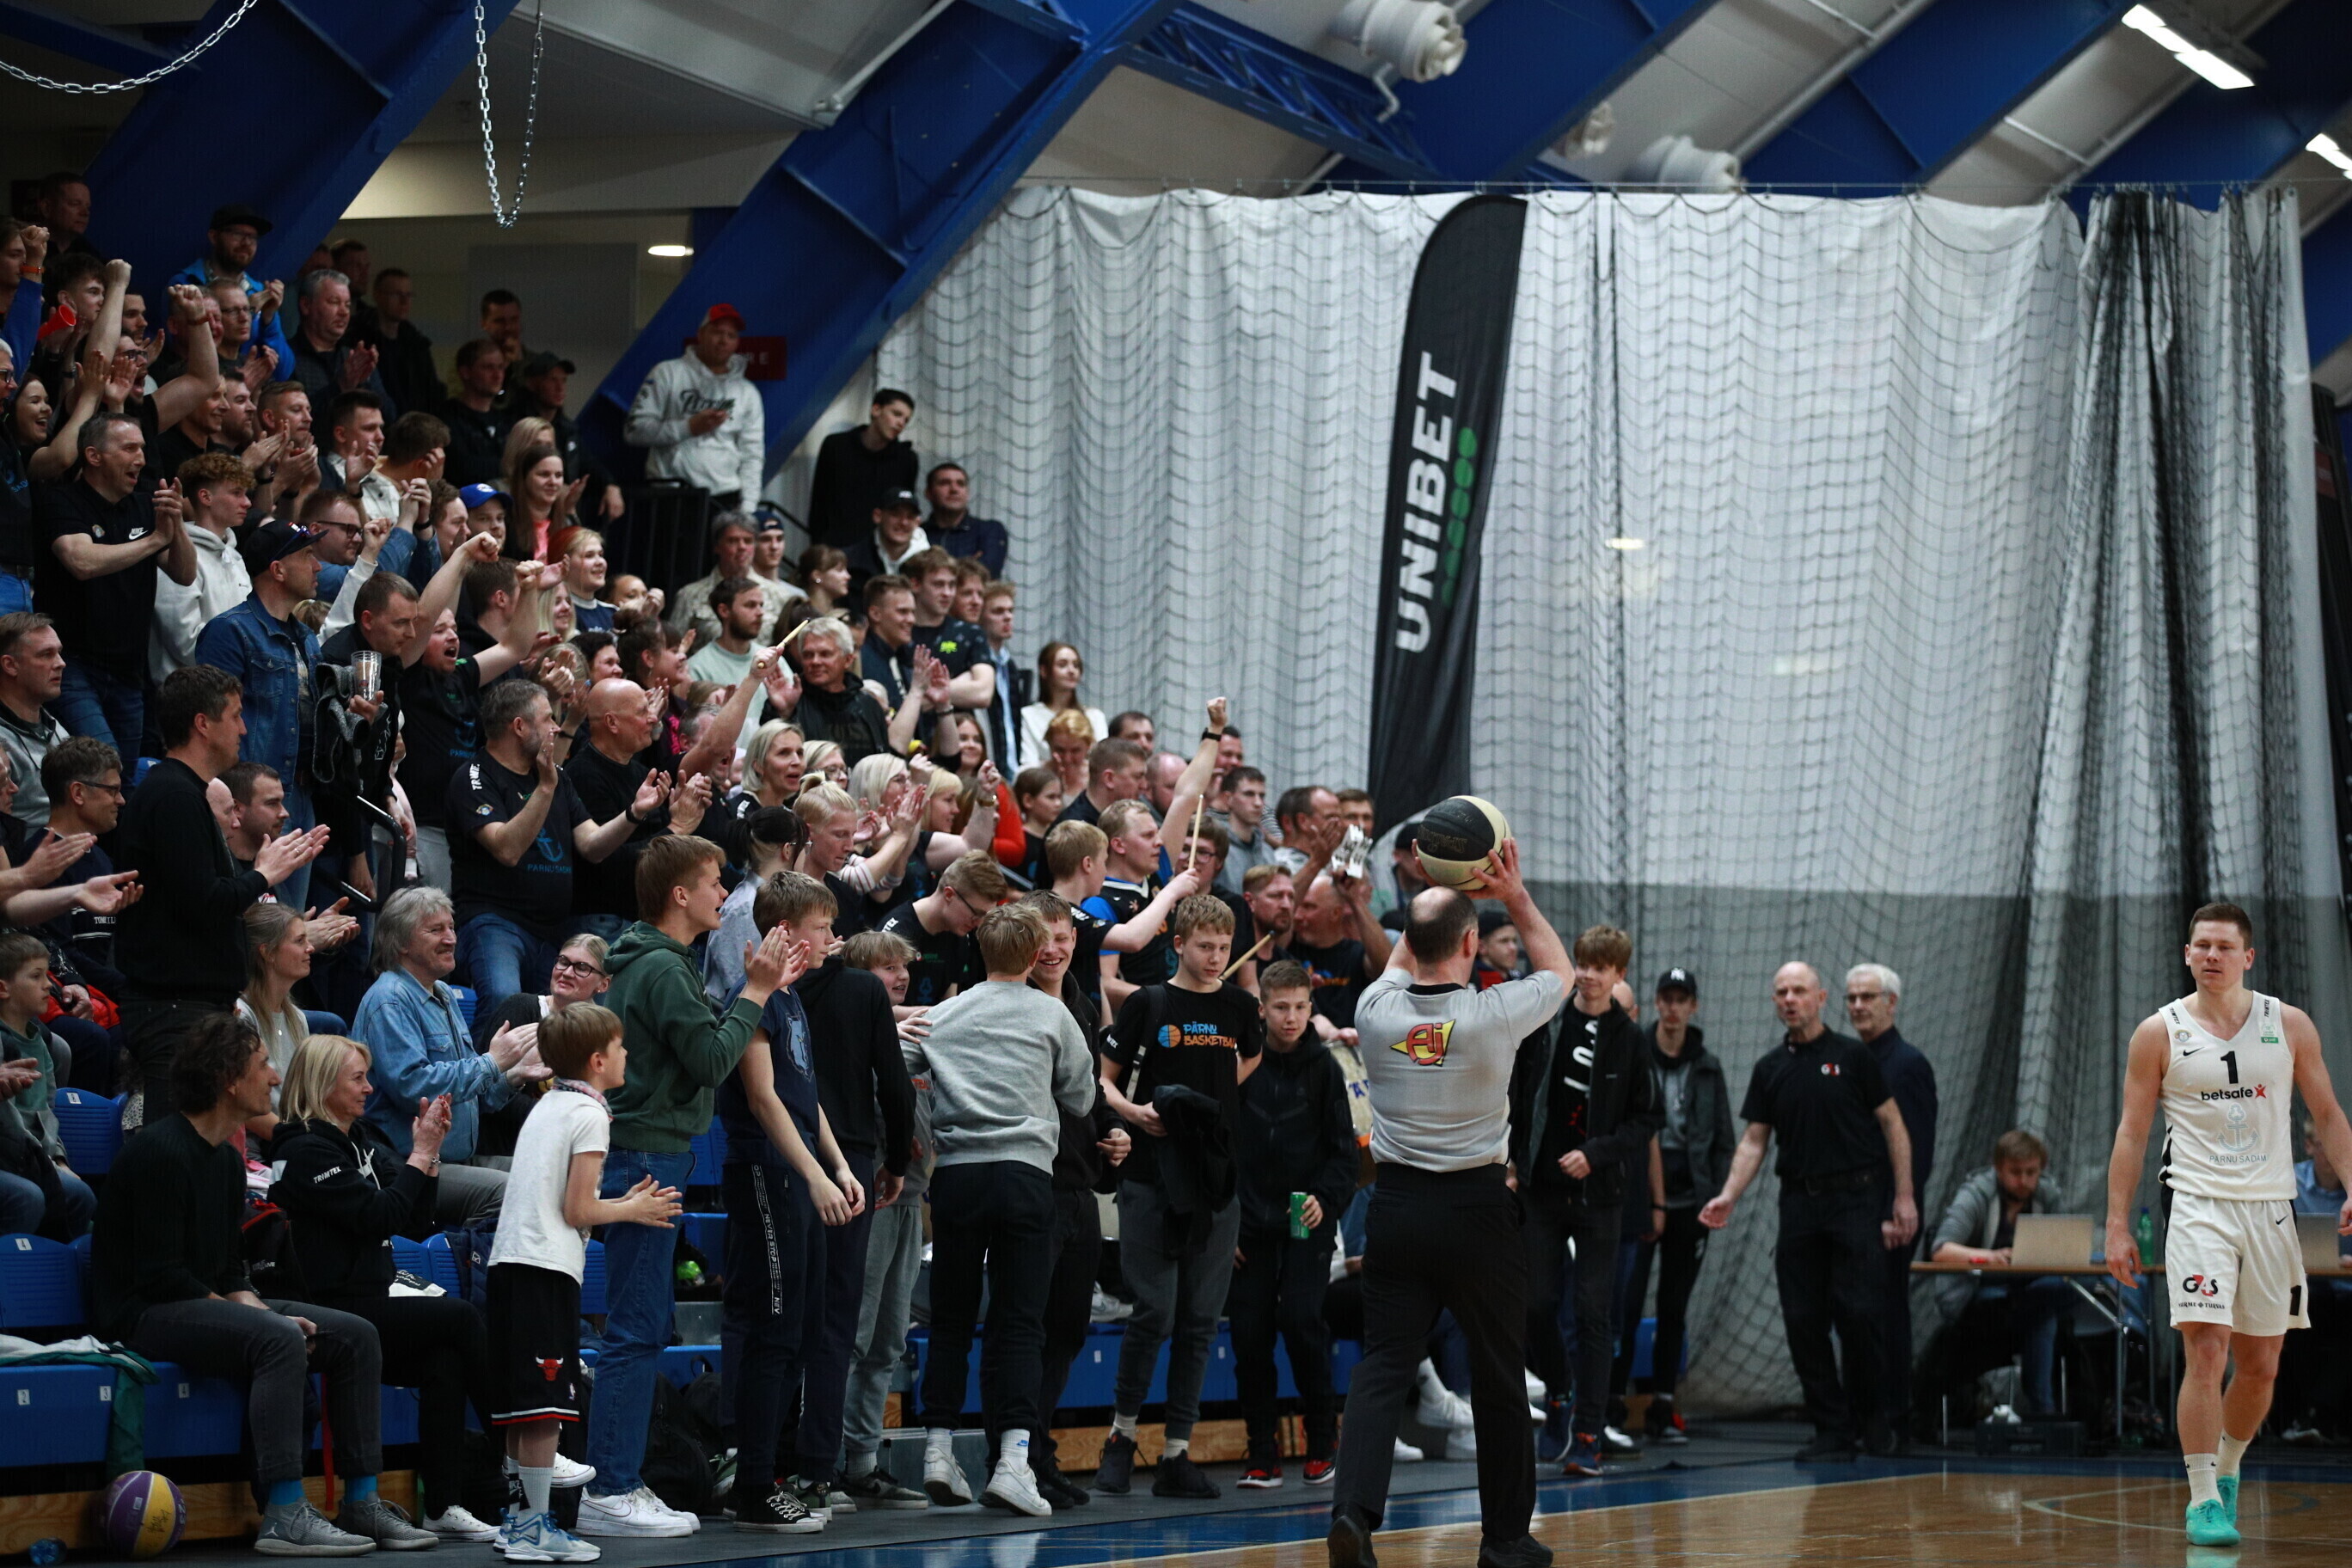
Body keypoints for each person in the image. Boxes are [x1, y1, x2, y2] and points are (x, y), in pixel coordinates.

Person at [89, 1014, 434, 1553]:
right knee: (278, 1338)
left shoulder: (227, 1162)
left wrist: (259, 1309)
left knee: (355, 1334)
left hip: (195, 1302)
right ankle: (284, 1511)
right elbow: (162, 1277)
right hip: (143, 1313)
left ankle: (361, 1501)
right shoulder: (159, 1151)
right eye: (263, 1065)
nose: (275, 1077)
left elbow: (230, 1270)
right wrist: (266, 1321)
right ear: (230, 1079)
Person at [1326, 842, 1566, 1568]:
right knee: (1498, 1376)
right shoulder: (1497, 1014)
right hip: (1477, 1212)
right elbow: (1559, 970)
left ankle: (1352, 1514)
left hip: (1397, 1210)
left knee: (1382, 1367)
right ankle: (1505, 1540)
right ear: (1471, 944)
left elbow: (1406, 953)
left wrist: (1433, 891)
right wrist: (1512, 893)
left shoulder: (1374, 1011)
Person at [2102, 902, 2352, 1547]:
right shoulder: (2158, 1033)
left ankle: (2230, 1466)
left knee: (2261, 1365)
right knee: (2207, 1348)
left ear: (2248, 957)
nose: (2212, 955)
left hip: (2269, 1207)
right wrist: (2116, 1224)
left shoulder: (2287, 1024)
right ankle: (2203, 1497)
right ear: (2187, 954)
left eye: (2224, 946)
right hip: (2198, 1205)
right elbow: (2132, 1133)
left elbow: (2327, 1114)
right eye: (2202, 946)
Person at [582, 836, 799, 1537]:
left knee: (642, 1325)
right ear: (680, 895)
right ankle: (611, 1486)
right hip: (648, 1154)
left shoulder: (656, 962)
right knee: (635, 1329)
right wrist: (756, 992)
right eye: (712, 882)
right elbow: (710, 1061)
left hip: (652, 1151)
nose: (723, 895)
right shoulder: (663, 969)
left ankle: (619, 1479)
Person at [267, 1034, 506, 1540]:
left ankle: (442, 1504)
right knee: (461, 1317)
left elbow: (413, 1221)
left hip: (371, 1300)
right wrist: (419, 1154)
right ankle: (517, 1448)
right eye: (357, 1078)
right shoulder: (305, 1150)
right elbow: (379, 1214)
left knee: (444, 1359)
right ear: (322, 1084)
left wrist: (431, 1156)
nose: (369, 1088)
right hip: (329, 1309)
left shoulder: (359, 1140)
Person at [906, 901, 1094, 1516]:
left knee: (951, 1319)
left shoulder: (943, 1013)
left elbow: (899, 1069)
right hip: (1024, 1176)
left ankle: (938, 1451)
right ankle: (1013, 1463)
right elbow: (1082, 1095)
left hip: (957, 1177)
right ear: (1035, 953)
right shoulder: (1053, 1013)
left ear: (979, 951)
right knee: (1019, 1322)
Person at [1699, 962, 1918, 1461]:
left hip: (1856, 1202)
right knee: (1802, 1319)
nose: (1790, 999)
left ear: (1820, 998)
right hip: (1799, 1205)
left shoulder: (1854, 1057)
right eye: (1781, 992)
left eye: (1799, 990)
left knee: (1859, 1315)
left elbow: (1894, 1126)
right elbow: (1754, 1141)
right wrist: (1729, 1194)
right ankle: (1831, 1429)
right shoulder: (1770, 1069)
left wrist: (1903, 1196)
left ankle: (1874, 1420)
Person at [489, 1002, 683, 1563]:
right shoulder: (590, 1115)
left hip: (509, 1266)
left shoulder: (549, 1103)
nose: (627, 1054)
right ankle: (532, 1529)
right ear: (598, 1061)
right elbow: (577, 1209)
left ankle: (518, 1523)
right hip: (544, 1269)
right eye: (620, 1047)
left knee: (522, 1408)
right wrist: (633, 1208)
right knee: (544, 1408)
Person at [1095, 894, 1263, 1499]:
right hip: (1151, 1178)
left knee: (1199, 1322)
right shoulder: (1149, 1003)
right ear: (1178, 946)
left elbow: (1253, 1054)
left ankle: (1176, 1453)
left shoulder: (1240, 1006)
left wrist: (1210, 1105)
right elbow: (1102, 1079)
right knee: (1155, 1312)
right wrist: (1135, 1113)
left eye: (1223, 947)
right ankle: (1120, 1437)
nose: (1215, 957)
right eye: (1204, 947)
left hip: (1215, 1181)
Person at [115, 667, 328, 1122]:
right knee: (177, 1143)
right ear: (203, 724)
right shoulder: (174, 796)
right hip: (173, 1011)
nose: (244, 729)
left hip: (194, 1007)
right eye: (235, 716)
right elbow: (205, 903)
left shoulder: (185, 794)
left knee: (204, 1146)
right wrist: (264, 875)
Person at [713, 874, 842, 1531]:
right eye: (822, 928)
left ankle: (770, 1475)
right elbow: (763, 1098)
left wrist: (836, 1164)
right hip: (767, 1173)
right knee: (774, 1330)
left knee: (802, 1333)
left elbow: (804, 1094)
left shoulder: (792, 998)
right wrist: (813, 1175)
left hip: (799, 1172)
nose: (831, 938)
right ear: (786, 932)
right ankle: (755, 1485)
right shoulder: (755, 995)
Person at [1508, 924, 1660, 1477]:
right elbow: (1518, 1093)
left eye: (1601, 968)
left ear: (1620, 975)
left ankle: (1590, 1432)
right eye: (1583, 964)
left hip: (1599, 1197)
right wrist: (1512, 1160)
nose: (1589, 976)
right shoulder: (1548, 1022)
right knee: (1535, 1305)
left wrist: (1596, 1154)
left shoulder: (1631, 1039)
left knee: (1594, 1313)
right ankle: (1560, 1391)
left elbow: (1647, 1118)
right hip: (1542, 1190)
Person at [448, 677, 658, 1014]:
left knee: (569, 1015)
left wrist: (633, 813)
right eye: (548, 719)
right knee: (504, 999)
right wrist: (545, 789)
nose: (556, 728)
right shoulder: (475, 777)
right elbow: (506, 849)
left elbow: (592, 845)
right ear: (519, 727)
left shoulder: (555, 775)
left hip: (553, 929)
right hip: (496, 922)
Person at [1230, 959, 1355, 1490]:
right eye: (1281, 1007)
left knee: (1303, 1322)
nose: (1291, 1017)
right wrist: (1226, 1219)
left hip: (1307, 1217)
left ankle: (1323, 1441)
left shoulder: (1325, 1067)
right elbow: (1218, 1145)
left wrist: (1325, 1199)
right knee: (1249, 1333)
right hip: (1247, 1224)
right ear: (1261, 1009)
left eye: (1301, 1007)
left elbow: (1345, 1154)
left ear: (1310, 1007)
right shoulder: (1241, 1062)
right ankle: (1262, 1450)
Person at [355, 885, 536, 1228]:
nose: (451, 938)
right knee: (512, 1191)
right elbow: (414, 1088)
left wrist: (513, 1075)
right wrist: (491, 1063)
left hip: (458, 1158)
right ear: (402, 943)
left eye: (451, 927)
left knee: (556, 1174)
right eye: (436, 930)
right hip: (411, 1165)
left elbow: (471, 1098)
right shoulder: (390, 999)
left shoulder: (443, 994)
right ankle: (463, 1256)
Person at [1612, 966, 1730, 1446]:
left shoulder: (1707, 1066)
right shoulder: (1636, 1052)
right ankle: (1612, 1401)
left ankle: (1663, 1403)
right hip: (1641, 1197)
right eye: (1667, 998)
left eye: (1683, 999)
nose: (1674, 1007)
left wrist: (1716, 1194)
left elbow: (1723, 1137)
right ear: (1656, 1003)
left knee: (1674, 1305)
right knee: (1626, 1302)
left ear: (1693, 1006)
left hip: (1690, 1199)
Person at [37, 411, 196, 758]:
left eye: (142, 449)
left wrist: (176, 524)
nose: (140, 459)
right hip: (74, 664)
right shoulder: (62, 501)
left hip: (129, 670)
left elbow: (184, 574)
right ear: (94, 456)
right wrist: (155, 540)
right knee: (101, 761)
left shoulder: (145, 504)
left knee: (123, 775)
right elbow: (81, 561)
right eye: (128, 449)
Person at [193, 518, 328, 910]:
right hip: (249, 801)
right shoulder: (229, 632)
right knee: (259, 916)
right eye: (307, 555)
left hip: (299, 792)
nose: (318, 566)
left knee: (289, 919)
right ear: (278, 569)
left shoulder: (307, 637)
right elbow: (211, 722)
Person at [1843, 962, 1937, 1450]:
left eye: (1868, 997)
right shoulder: (1853, 1060)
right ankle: (1864, 1417)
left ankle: (1893, 1418)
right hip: (1854, 1213)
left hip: (1888, 1214)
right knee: (1856, 1317)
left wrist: (1897, 1209)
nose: (1859, 1006)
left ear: (1891, 1003)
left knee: (1886, 1314)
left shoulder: (1907, 1064)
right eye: (1852, 998)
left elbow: (1914, 1147)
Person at [1920, 1130, 2075, 1422]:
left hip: (2029, 1293)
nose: (2024, 1180)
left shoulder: (2047, 1195)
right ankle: (2044, 1412)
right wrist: (1988, 1257)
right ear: (1998, 1168)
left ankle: (2045, 1415)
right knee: (2042, 1314)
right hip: (1978, 1295)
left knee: (2049, 1304)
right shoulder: (1976, 1194)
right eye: (2015, 1172)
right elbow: (1941, 1249)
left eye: (2031, 1172)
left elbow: (2067, 1247)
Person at [622, 303, 764, 511]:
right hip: (670, 494)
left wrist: (748, 507)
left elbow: (752, 454)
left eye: (731, 335)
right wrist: (688, 427)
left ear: (737, 343)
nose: (723, 340)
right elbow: (634, 432)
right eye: (717, 332)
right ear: (700, 334)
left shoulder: (747, 392)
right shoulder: (667, 373)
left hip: (724, 497)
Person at [0, 932, 94, 1240]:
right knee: (31, 1196)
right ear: (3, 989)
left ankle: (55, 1263)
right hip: (13, 1153)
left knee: (82, 1196)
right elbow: (10, 1123)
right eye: (36, 976)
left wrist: (59, 1159)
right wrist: (45, 1162)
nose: (48, 985)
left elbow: (47, 1112)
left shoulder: (43, 1043)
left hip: (34, 1155)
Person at [808, 389, 916, 549]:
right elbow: (819, 501)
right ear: (876, 410)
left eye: (906, 420)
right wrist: (819, 545)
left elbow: (905, 509)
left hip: (881, 549)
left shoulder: (906, 459)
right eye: (896, 414)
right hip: (835, 546)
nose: (901, 423)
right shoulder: (836, 446)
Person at [0, 612, 69, 830]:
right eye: (46, 655)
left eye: (59, 653)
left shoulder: (58, 730)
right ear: (10, 665)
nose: (61, 664)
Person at [1019, 642, 1106, 771]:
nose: (1071, 671)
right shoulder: (1029, 715)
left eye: (1076, 665)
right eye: (1062, 665)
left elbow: (1103, 763)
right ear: (1044, 671)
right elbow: (1028, 766)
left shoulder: (1095, 716)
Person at [921, 461, 1008, 576]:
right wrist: (968, 565)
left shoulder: (989, 531)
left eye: (960, 484)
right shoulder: (918, 534)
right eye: (945, 483)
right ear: (928, 493)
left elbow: (985, 574)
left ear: (967, 493)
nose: (954, 489)